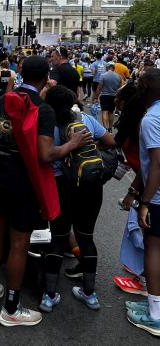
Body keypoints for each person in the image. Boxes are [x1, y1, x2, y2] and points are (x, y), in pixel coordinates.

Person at [0, 56, 90, 327]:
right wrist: (72, 143)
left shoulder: (3, 100)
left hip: (0, 175)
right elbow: (46, 154)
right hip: (24, 181)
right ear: (45, 79)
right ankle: (11, 307)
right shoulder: (43, 109)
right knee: (20, 242)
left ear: (20, 71)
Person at [40, 85, 115, 313]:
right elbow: (110, 141)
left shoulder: (47, 125)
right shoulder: (86, 119)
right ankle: (90, 294)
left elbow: (43, 157)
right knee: (86, 238)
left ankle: (49, 296)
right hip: (90, 187)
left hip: (61, 186)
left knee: (58, 239)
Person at [128, 68, 160, 336]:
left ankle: (155, 312)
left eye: (139, 83)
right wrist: (132, 190)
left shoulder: (151, 119)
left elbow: (157, 165)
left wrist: (145, 202)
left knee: (154, 248)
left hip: (158, 195)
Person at [93, 62, 121, 132]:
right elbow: (120, 87)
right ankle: (110, 128)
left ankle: (105, 129)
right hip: (114, 96)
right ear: (113, 68)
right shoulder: (118, 76)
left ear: (108, 67)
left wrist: (96, 97)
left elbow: (99, 87)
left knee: (104, 112)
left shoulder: (103, 75)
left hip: (104, 95)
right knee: (111, 112)